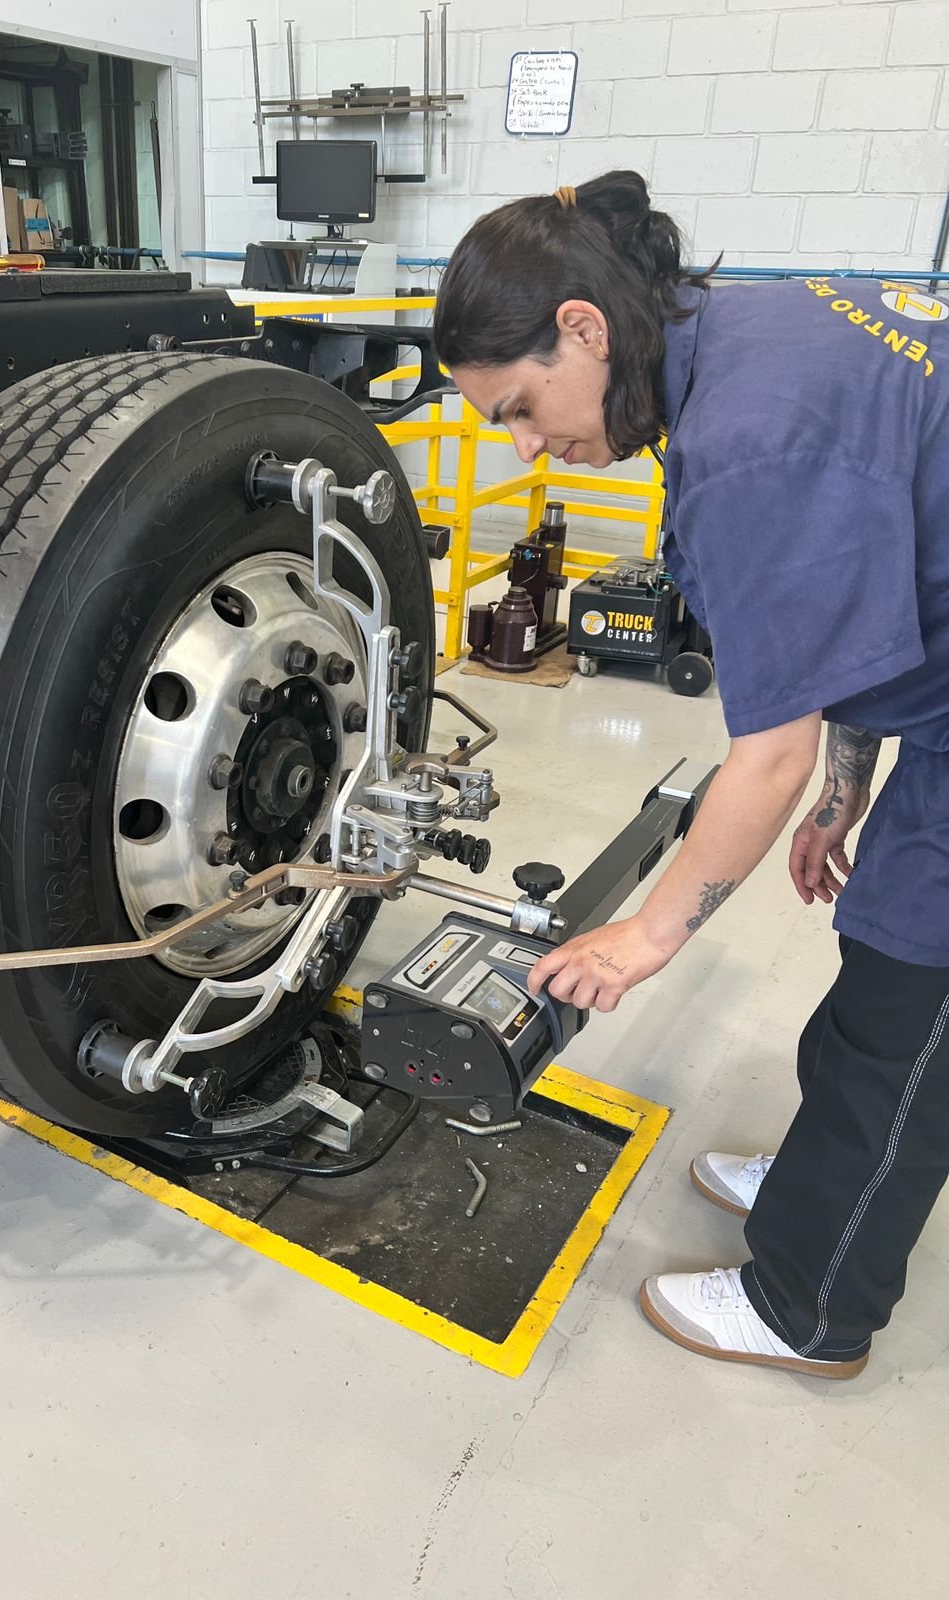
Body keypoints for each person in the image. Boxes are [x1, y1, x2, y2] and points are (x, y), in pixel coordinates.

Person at [433, 171, 949, 1379]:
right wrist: (846, 790)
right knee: (884, 949)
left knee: (914, 1004)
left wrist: (647, 935)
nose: (525, 447)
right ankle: (829, 1164)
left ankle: (810, 1309)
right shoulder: (737, 331)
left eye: (519, 406)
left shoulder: (748, 439)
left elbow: (764, 756)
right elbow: (883, 581)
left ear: (583, 327)